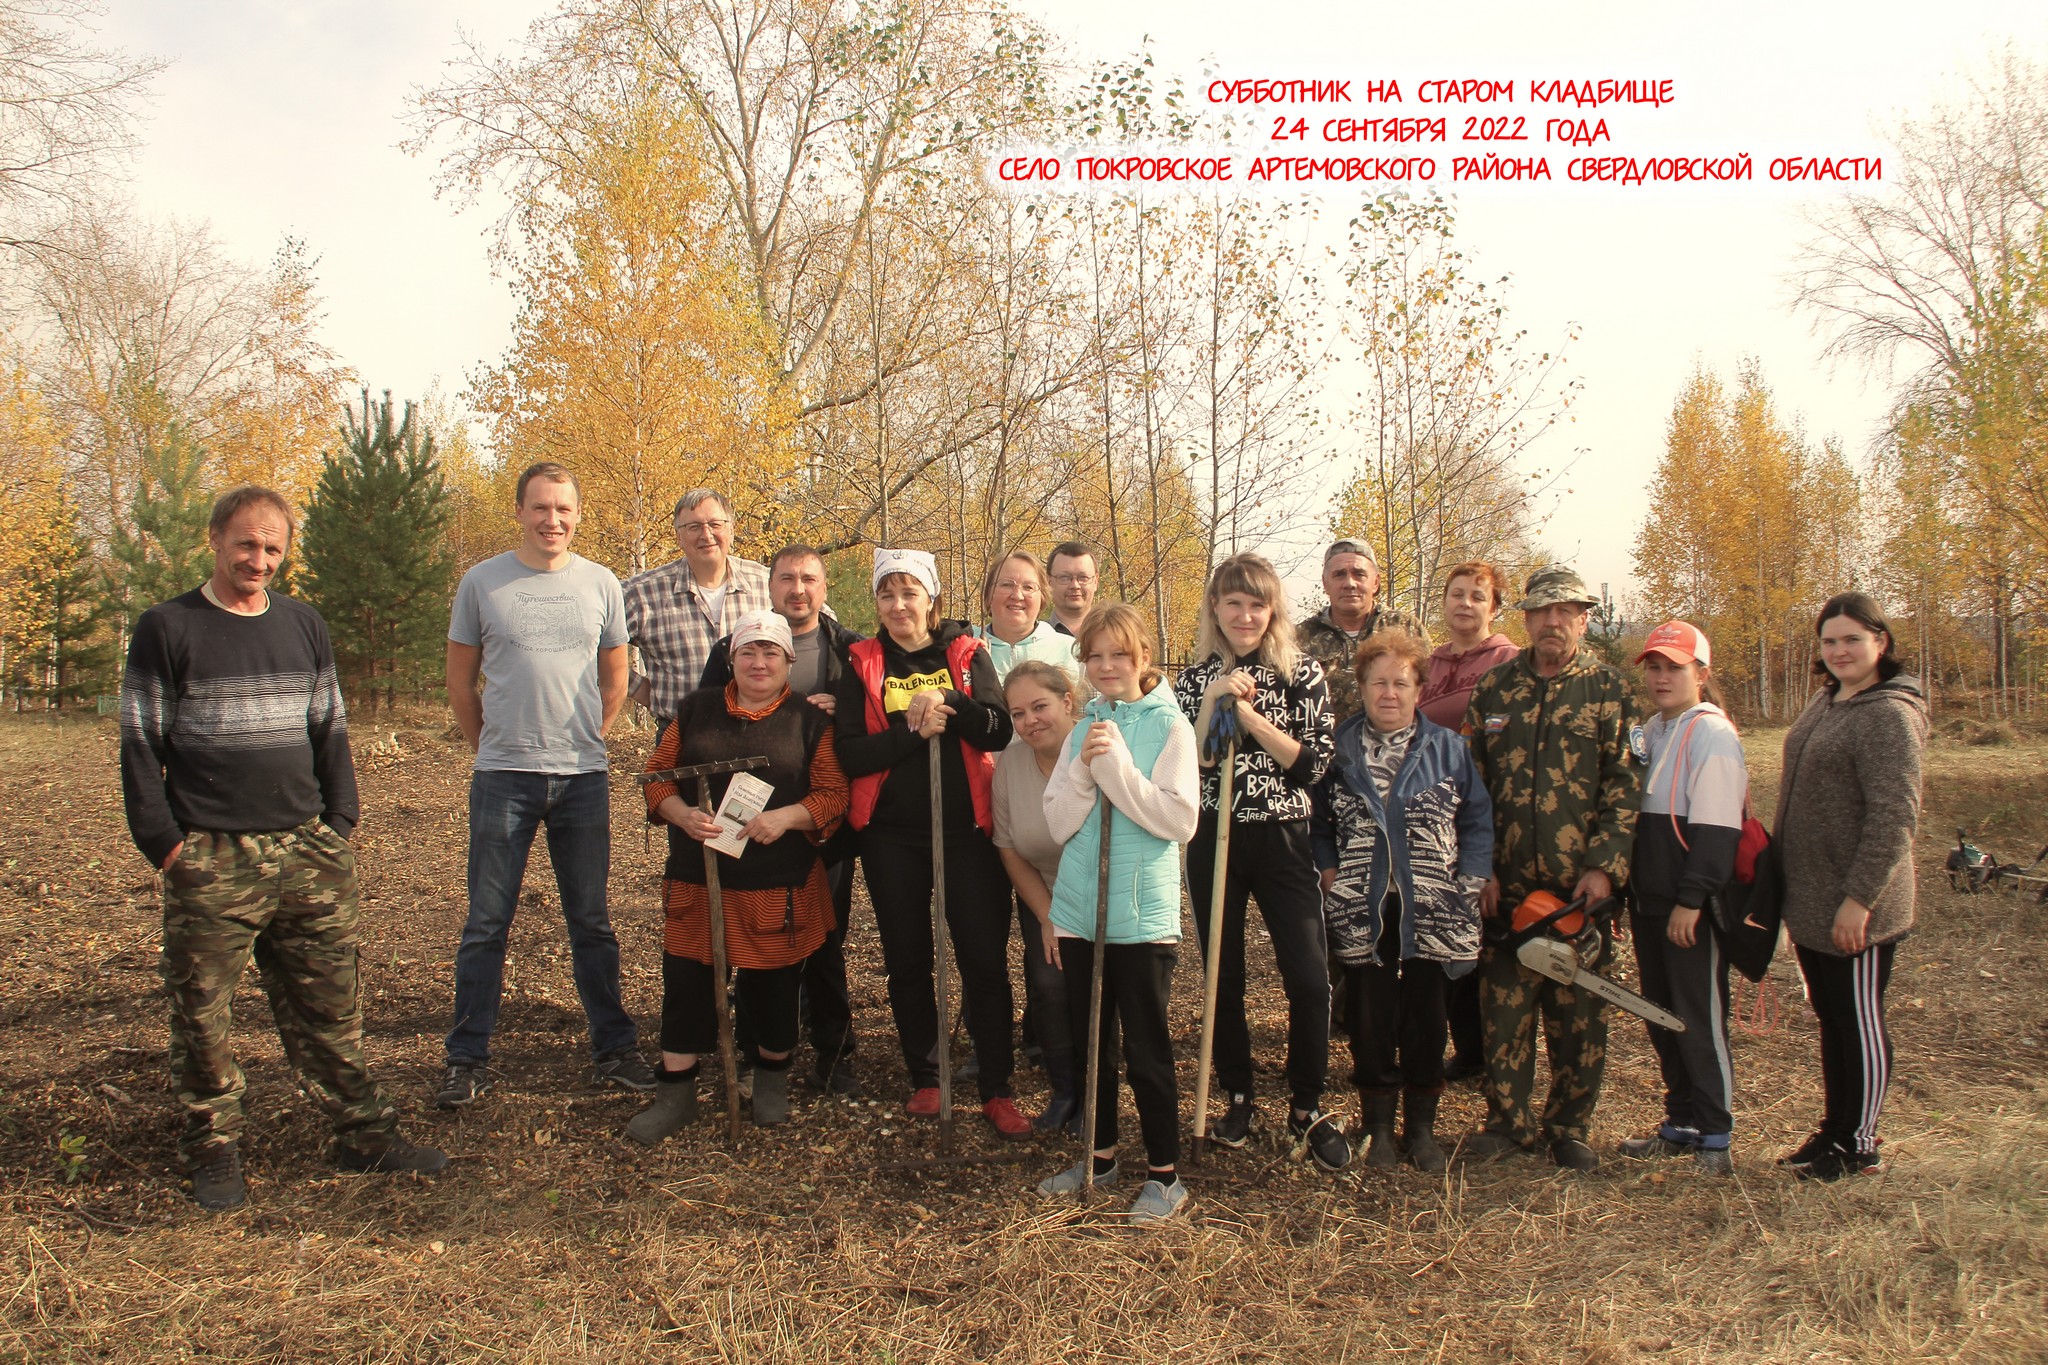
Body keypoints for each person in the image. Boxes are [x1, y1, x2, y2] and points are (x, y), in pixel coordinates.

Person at [119, 486, 445, 1211]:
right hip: (213, 854)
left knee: (332, 1003)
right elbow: (140, 746)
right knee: (203, 1011)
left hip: (309, 851)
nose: (257, 559)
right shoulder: (168, 627)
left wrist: (342, 822)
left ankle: (363, 1134)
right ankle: (213, 1145)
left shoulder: (303, 625)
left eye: (271, 547)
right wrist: (167, 847)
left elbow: (330, 728)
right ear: (214, 539)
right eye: (245, 544)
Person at [439, 462, 650, 1107]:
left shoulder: (602, 585)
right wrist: (493, 747)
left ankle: (613, 1048)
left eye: (563, 509)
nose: (551, 520)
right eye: (539, 508)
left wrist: (592, 733)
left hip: (582, 779)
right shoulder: (482, 584)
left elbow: (615, 677)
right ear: (520, 512)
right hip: (503, 777)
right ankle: (466, 1056)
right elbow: (459, 683)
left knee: (590, 920)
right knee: (487, 921)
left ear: (577, 515)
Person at [627, 611, 850, 1141]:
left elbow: (833, 795)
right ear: (731, 659)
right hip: (698, 877)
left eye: (771, 653)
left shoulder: (809, 720)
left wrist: (787, 817)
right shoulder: (696, 709)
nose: (759, 662)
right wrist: (681, 814)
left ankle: (771, 1081)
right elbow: (659, 777)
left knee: (773, 984)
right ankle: (675, 1092)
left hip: (776, 880)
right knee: (686, 982)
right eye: (748, 652)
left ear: (789, 663)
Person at [833, 548, 1028, 1136]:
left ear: (931, 598)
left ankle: (997, 1085)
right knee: (908, 957)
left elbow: (999, 726)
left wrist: (954, 705)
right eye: (887, 594)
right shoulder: (862, 662)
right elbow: (850, 753)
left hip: (967, 829)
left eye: (909, 592)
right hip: (892, 835)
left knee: (982, 956)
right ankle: (927, 1074)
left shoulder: (967, 655)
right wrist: (911, 731)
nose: (898, 605)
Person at [1463, 563, 1643, 1171]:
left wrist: (1605, 867)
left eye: (1567, 611)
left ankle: (1568, 1125)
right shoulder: (1495, 690)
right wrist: (1478, 865)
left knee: (1579, 1014)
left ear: (1584, 618)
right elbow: (1471, 785)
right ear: (1527, 619)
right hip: (1508, 887)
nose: (1554, 622)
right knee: (1504, 1011)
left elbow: (1625, 784)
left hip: (1578, 889)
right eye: (1543, 611)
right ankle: (1507, 1123)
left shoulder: (1608, 691)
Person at [1175, 553, 1348, 1171]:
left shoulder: (1301, 672)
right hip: (1214, 836)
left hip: (1281, 834)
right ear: (1215, 609)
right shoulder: (1195, 679)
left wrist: (1249, 717)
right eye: (1232, 602)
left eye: (1256, 604)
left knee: (1307, 974)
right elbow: (1193, 763)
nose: (1244, 615)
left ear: (1272, 610)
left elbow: (1313, 765)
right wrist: (1215, 702)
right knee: (1222, 974)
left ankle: (1306, 1104)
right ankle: (1239, 1094)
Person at [1035, 604, 1201, 1222]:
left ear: (1142, 659)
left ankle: (1165, 1176)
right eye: (1095, 655)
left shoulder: (1171, 728)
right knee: (1091, 1043)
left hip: (1140, 916)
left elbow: (1177, 821)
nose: (1106, 667)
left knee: (1147, 1050)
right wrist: (1084, 768)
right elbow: (1058, 823)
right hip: (1081, 912)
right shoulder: (1083, 728)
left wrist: (1117, 770)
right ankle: (1099, 1158)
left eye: (1119, 655)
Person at [1311, 628, 1492, 1173]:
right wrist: (1329, 870)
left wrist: (1472, 878)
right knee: (1370, 1017)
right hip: (1362, 904)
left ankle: (1421, 1128)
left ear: (1419, 689)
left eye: (1401, 683)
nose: (1389, 694)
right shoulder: (1338, 749)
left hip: (1434, 905)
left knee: (1426, 1018)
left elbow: (1477, 820)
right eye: (1378, 683)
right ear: (1362, 687)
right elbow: (1319, 822)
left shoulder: (1450, 749)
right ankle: (1378, 1125)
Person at [697, 544, 866, 1096]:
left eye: (809, 579)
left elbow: (873, 722)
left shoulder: (850, 651)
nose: (798, 588)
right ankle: (755, 1051)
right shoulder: (733, 646)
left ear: (824, 588)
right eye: (787, 579)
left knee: (823, 935)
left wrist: (847, 714)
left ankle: (832, 1050)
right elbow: (705, 721)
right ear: (768, 587)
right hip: (746, 819)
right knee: (754, 936)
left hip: (822, 813)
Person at [1774, 593, 1927, 1182]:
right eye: (1830, 641)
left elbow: (1895, 817)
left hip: (1855, 905)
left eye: (1852, 640)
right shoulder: (1829, 700)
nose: (1839, 651)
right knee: (1833, 1017)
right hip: (1812, 898)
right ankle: (1835, 1129)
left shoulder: (1889, 714)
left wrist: (1859, 899)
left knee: (1858, 1017)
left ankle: (1860, 1143)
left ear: (1880, 643)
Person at [1617, 621, 1747, 1176]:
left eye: (1675, 667)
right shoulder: (1654, 729)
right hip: (1649, 904)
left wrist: (1692, 901)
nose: (1662, 677)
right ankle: (1681, 1121)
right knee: (1661, 1015)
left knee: (1697, 1018)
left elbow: (1718, 830)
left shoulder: (1712, 735)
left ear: (1702, 673)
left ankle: (1715, 1135)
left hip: (1686, 910)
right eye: (1654, 666)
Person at [1417, 560, 1520, 1080]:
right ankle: (1465, 1049)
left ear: (1493, 607)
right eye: (1456, 594)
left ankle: (1494, 1051)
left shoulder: (1508, 664)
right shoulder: (1429, 665)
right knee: (1445, 926)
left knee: (1486, 933)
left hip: (1488, 809)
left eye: (1477, 597)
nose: (1465, 604)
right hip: (1434, 815)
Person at [993, 661, 1085, 1130]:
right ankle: (1065, 1090)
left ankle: (1097, 1093)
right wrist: (1049, 917)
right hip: (1046, 892)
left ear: (1067, 701)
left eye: (1040, 706)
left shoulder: (1096, 747)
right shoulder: (1010, 764)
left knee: (1096, 989)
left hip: (1103, 893)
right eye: (1018, 713)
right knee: (1049, 985)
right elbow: (1009, 847)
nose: (1030, 721)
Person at [624, 488, 772, 726]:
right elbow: (589, 646)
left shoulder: (767, 583)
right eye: (693, 527)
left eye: (715, 524)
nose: (706, 534)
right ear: (678, 536)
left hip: (762, 733)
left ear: (731, 530)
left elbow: (819, 628)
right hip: (681, 737)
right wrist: (641, 690)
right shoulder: (641, 593)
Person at [1297, 537, 1428, 727]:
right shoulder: (1299, 637)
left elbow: (1430, 692)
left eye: (1359, 574)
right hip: (1324, 752)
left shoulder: (1406, 628)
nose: (1350, 583)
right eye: (1339, 575)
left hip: (1398, 751)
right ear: (1325, 584)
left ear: (1375, 583)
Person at [976, 551, 1079, 682]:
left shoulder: (1070, 652)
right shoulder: (965, 650)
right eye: (1006, 585)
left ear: (1042, 597)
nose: (1017, 595)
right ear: (988, 594)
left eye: (1028, 587)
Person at [1046, 541, 1100, 638]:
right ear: (1049, 582)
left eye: (1083, 577)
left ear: (1095, 581)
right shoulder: (1034, 639)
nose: (1075, 585)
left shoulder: (1117, 635)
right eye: (1064, 577)